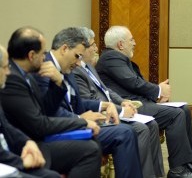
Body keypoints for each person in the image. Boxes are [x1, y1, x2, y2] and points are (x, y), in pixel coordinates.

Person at [96, 25, 192, 178]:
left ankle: (187, 164)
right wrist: (158, 90)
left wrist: (156, 95)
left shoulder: (118, 58)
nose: (135, 43)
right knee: (175, 115)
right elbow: (132, 82)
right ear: (121, 44)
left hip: (140, 102)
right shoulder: (111, 58)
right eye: (131, 40)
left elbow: (134, 83)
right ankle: (178, 170)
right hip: (132, 106)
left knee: (184, 109)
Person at [34, 27, 144, 178]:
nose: (79, 61)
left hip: (76, 124)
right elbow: (49, 110)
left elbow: (78, 103)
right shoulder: (44, 69)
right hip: (59, 132)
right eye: (77, 55)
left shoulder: (68, 68)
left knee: (127, 130)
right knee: (124, 132)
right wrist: (81, 120)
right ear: (65, 48)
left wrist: (106, 105)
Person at [1, 27, 102, 177]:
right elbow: (39, 125)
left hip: (33, 140)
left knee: (91, 146)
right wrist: (82, 122)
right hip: (26, 146)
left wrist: (58, 83)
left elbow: (46, 110)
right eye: (42, 53)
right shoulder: (13, 80)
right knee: (90, 150)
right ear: (31, 55)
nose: (45, 57)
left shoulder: (27, 76)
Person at [73, 27, 165, 178]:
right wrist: (120, 110)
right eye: (93, 44)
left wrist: (123, 102)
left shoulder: (89, 66)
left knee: (152, 124)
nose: (97, 48)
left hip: (112, 110)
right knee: (140, 128)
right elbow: (89, 101)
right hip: (102, 116)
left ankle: (154, 174)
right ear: (81, 48)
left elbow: (106, 91)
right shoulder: (76, 72)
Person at [0, 44, 61, 178]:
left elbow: (6, 127)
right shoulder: (15, 82)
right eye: (5, 67)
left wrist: (27, 141)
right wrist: (20, 162)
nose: (8, 72)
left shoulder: (30, 77)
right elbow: (38, 123)